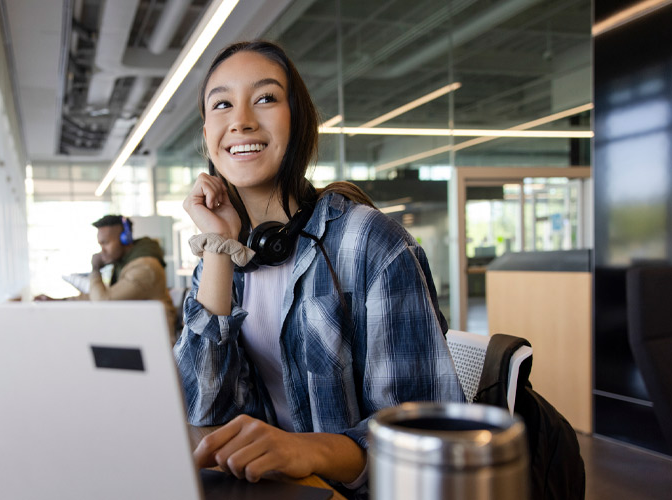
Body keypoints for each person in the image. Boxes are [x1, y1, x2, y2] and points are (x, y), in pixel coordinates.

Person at [174, 40, 464, 498]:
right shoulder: (226, 257)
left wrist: (304, 450)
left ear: (300, 121)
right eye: (222, 104)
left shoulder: (372, 244)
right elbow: (198, 408)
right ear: (208, 131)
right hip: (268, 489)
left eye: (266, 98)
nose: (241, 120)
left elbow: (423, 437)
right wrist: (217, 247)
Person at [38, 215, 178, 340]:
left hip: (157, 343)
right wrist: (59, 301)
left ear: (125, 239)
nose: (102, 250)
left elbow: (103, 301)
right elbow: (99, 296)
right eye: (100, 244)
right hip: (139, 335)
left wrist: (95, 269)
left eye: (106, 243)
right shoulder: (125, 264)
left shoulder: (145, 268)